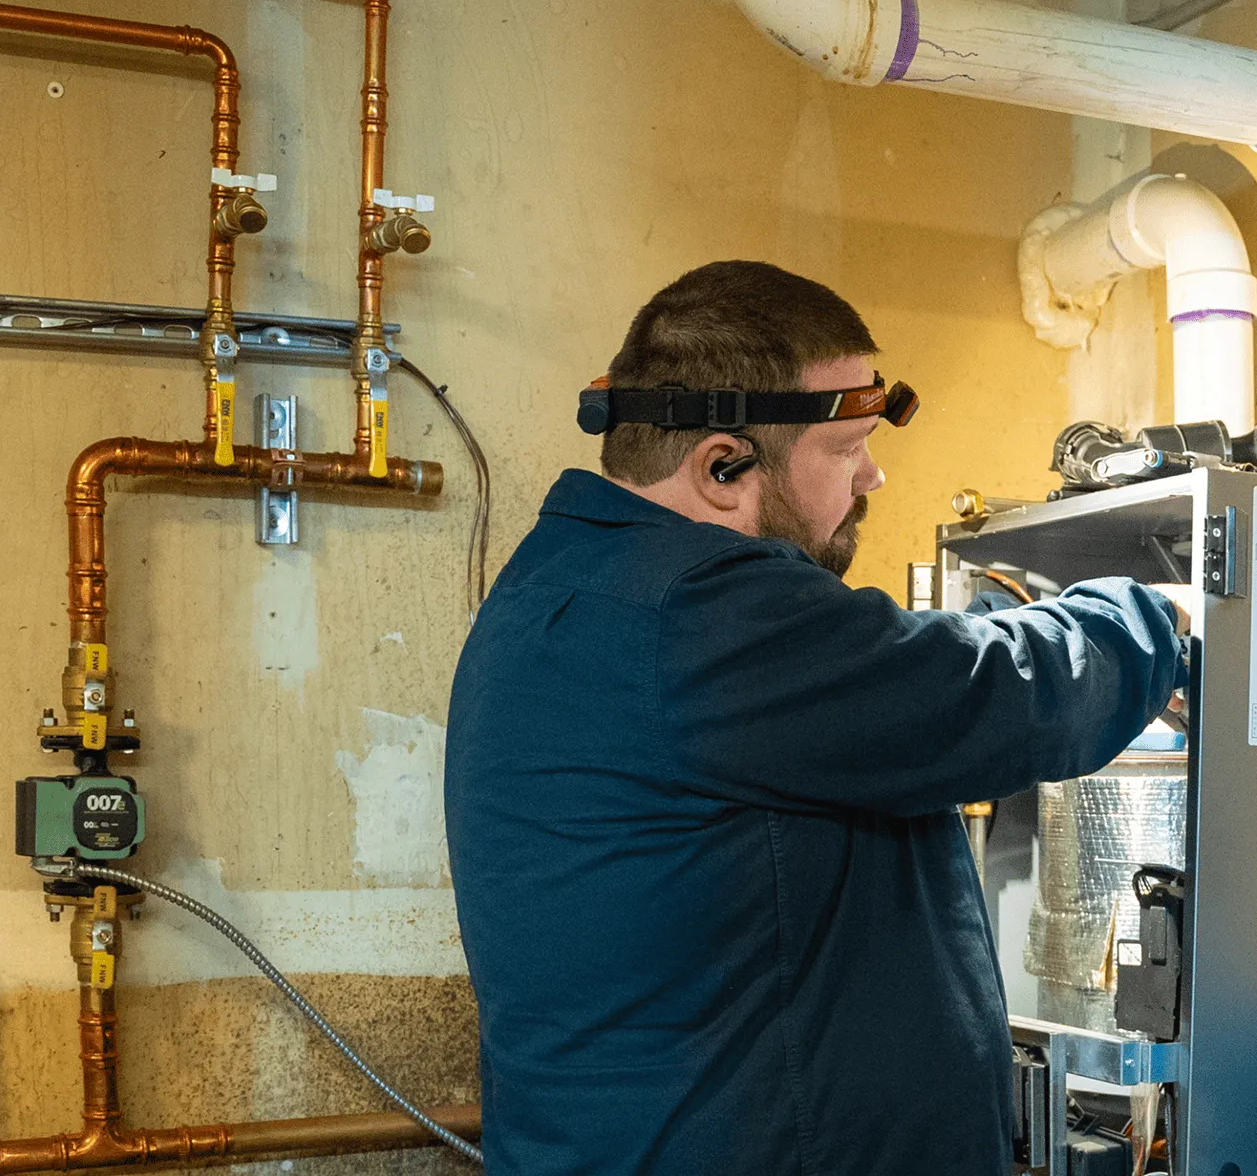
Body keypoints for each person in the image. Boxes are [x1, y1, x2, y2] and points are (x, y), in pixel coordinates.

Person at [445, 260, 1186, 1175]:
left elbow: (890, 678)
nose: (872, 473)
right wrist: (1162, 623)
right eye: (848, 447)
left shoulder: (567, 589)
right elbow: (991, 697)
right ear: (724, 464)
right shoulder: (695, 611)